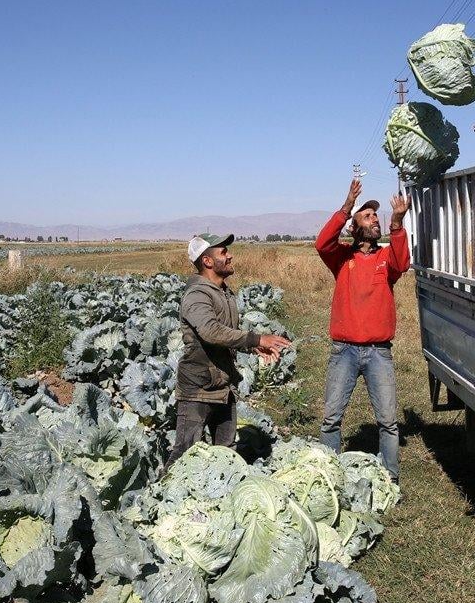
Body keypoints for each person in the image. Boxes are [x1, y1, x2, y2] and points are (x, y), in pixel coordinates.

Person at [168, 233, 291, 468]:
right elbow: (211, 332)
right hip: (198, 388)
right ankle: (161, 500)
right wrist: (256, 338)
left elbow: (224, 337)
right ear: (207, 261)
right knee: (184, 454)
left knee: (225, 455)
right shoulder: (197, 294)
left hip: (223, 386)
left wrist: (252, 348)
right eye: (223, 252)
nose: (230, 255)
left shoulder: (223, 292)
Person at [315, 181, 411, 482]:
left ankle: (389, 480)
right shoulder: (342, 258)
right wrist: (346, 207)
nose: (374, 219)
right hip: (343, 350)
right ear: (354, 228)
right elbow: (322, 243)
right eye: (367, 215)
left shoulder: (386, 259)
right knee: (331, 419)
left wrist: (397, 224)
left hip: (379, 352)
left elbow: (403, 261)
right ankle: (329, 479)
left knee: (388, 421)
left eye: (375, 215)